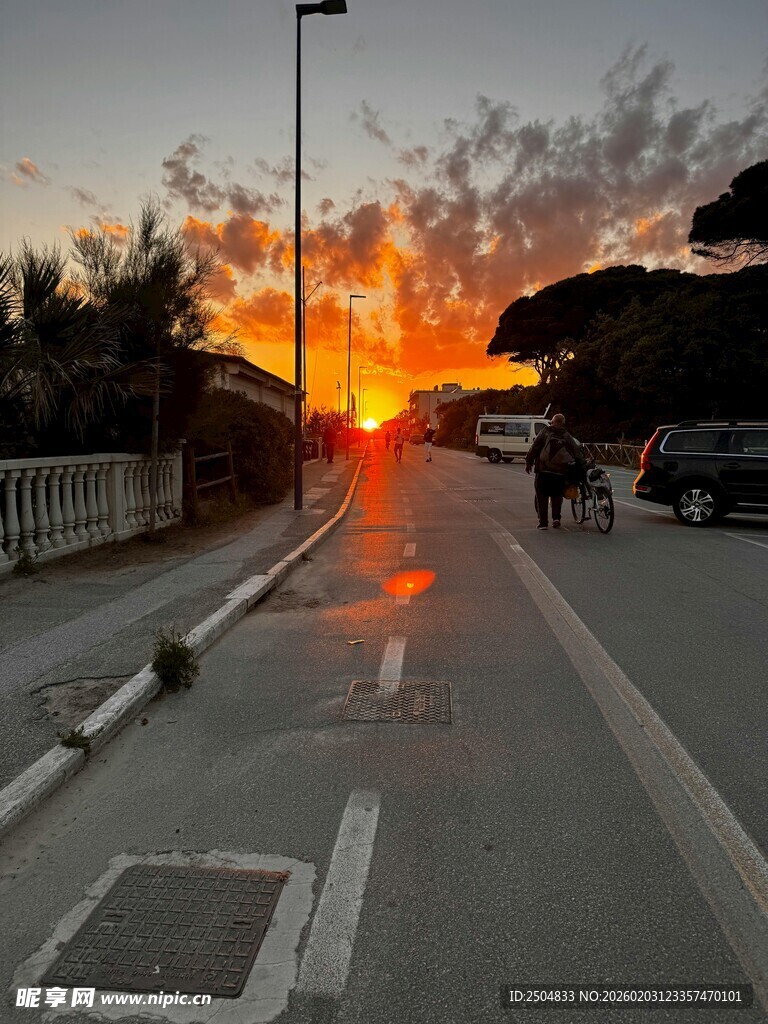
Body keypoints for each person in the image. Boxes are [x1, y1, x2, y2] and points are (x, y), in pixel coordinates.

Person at [525, 413, 583, 530]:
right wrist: (580, 465)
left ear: (553, 422)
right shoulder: (566, 435)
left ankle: (543, 523)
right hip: (560, 472)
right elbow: (576, 452)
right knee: (557, 496)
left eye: (552, 422)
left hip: (543, 471)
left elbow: (535, 446)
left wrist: (529, 462)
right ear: (563, 423)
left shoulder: (546, 432)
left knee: (542, 496)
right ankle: (556, 518)